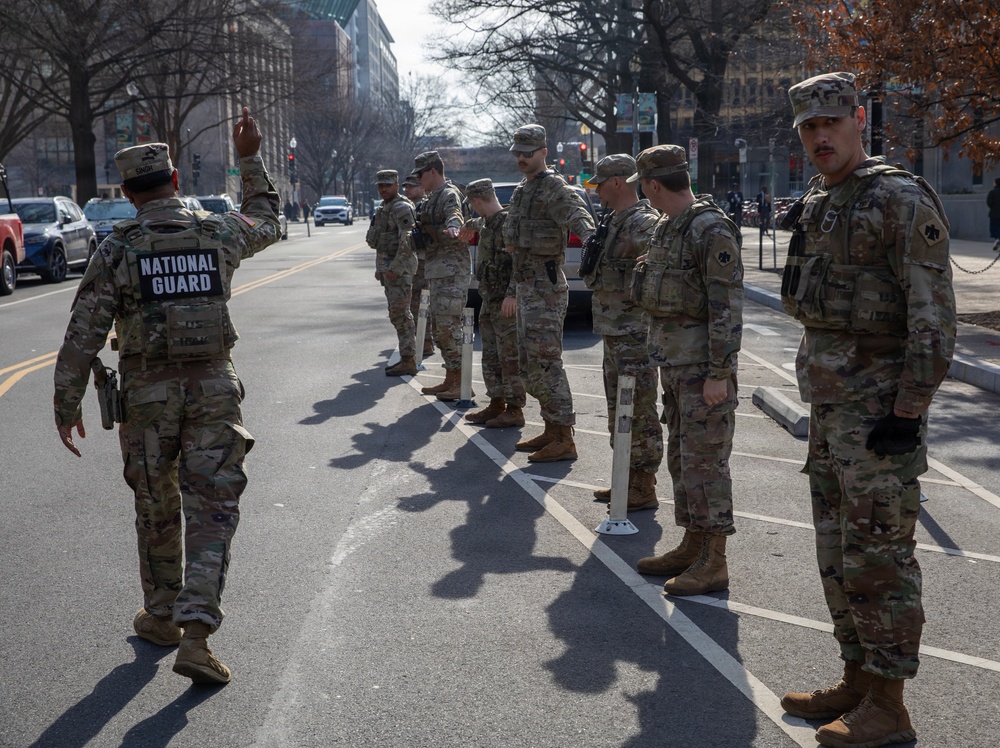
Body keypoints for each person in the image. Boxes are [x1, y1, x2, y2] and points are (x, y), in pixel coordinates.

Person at [53, 108, 281, 686]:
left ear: (128, 193)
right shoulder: (217, 231)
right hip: (213, 392)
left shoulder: (118, 248)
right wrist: (249, 155)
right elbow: (266, 219)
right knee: (215, 506)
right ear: (175, 181)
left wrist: (67, 404)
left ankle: (161, 615)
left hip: (148, 399)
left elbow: (83, 333)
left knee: (156, 504)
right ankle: (196, 634)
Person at [778, 72, 956, 747]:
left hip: (880, 417)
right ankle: (856, 677)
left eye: (831, 123)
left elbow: (934, 320)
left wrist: (908, 412)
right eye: (808, 128)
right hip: (830, 414)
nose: (820, 136)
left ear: (858, 119)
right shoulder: (824, 203)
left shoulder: (898, 200)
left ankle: (889, 703)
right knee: (838, 555)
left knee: (880, 560)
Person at [630, 144, 743, 596]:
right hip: (674, 365)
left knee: (706, 465)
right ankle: (693, 543)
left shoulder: (709, 229)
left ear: (653, 184)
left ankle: (714, 560)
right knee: (682, 459)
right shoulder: (668, 228)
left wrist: (720, 371)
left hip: (703, 371)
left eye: (644, 186)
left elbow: (727, 307)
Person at [504, 123, 595, 462]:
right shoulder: (522, 189)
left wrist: (590, 238)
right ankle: (551, 427)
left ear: (543, 152)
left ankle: (564, 436)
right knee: (529, 362)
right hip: (527, 284)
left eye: (527, 153)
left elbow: (578, 214)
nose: (521, 158)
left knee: (547, 361)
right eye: (517, 152)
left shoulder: (554, 187)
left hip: (545, 286)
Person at [582, 154, 663, 510]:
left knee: (640, 411)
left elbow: (662, 262)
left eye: (600, 184)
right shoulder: (614, 220)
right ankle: (625, 479)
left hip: (634, 335)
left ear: (617, 182)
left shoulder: (643, 222)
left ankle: (643, 486)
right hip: (615, 333)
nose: (596, 191)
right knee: (619, 409)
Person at [459, 178, 525, 429]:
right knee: (492, 355)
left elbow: (518, 262)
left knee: (509, 356)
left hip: (504, 300)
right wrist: (467, 225)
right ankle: (497, 403)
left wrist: (512, 294)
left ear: (476, 201)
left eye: (473, 205)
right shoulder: (488, 221)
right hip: (490, 298)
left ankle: (515, 408)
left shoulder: (507, 224)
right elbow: (477, 221)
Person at [412, 151, 470, 401]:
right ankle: (451, 378)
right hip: (437, 270)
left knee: (448, 328)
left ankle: (461, 382)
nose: (418, 180)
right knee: (440, 329)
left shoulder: (448, 194)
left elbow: (454, 213)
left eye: (421, 175)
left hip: (451, 271)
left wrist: (455, 226)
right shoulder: (430, 197)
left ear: (433, 171)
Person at [366, 169, 419, 376]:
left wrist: (394, 270)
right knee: (396, 314)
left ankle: (409, 359)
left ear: (397, 185)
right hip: (389, 271)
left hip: (399, 271)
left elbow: (408, 241)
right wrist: (381, 269)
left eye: (387, 185)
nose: (383, 189)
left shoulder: (401, 208)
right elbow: (382, 242)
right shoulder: (384, 207)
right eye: (380, 185)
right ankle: (407, 358)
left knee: (401, 314)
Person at [402, 172, 434, 357]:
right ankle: (422, 340)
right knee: (417, 302)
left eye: (411, 186)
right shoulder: (412, 206)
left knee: (420, 302)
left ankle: (425, 342)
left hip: (423, 261)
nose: (407, 190)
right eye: (405, 187)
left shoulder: (424, 206)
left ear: (422, 188)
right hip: (415, 260)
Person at [987, 177, 1000, 250]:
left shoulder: (992, 192)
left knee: (995, 229)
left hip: (994, 214)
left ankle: (998, 239)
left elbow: (989, 203)